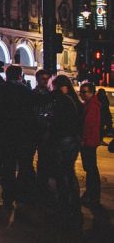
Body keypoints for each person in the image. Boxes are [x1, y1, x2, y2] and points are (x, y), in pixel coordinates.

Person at [0, 65, 37, 208]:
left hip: (4, 135)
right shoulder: (25, 91)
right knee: (23, 167)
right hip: (22, 135)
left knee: (7, 167)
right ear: (20, 75)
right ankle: (21, 195)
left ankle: (8, 196)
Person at [46, 75, 82, 227]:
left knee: (63, 173)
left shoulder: (63, 101)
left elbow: (58, 122)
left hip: (64, 139)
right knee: (68, 172)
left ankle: (66, 207)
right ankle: (73, 206)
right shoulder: (74, 100)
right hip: (72, 139)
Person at [78, 82, 102, 207]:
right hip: (90, 140)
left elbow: (88, 124)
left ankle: (92, 196)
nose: (81, 94)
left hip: (89, 141)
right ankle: (92, 195)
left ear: (91, 93)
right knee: (91, 169)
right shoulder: (89, 104)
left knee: (91, 169)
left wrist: (83, 139)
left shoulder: (92, 105)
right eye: (80, 92)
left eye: (84, 92)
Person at [33, 69, 55, 195]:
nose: (46, 81)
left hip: (46, 130)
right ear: (37, 79)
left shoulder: (50, 94)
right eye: (43, 79)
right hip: (36, 129)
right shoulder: (34, 94)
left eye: (47, 79)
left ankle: (42, 184)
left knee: (44, 158)